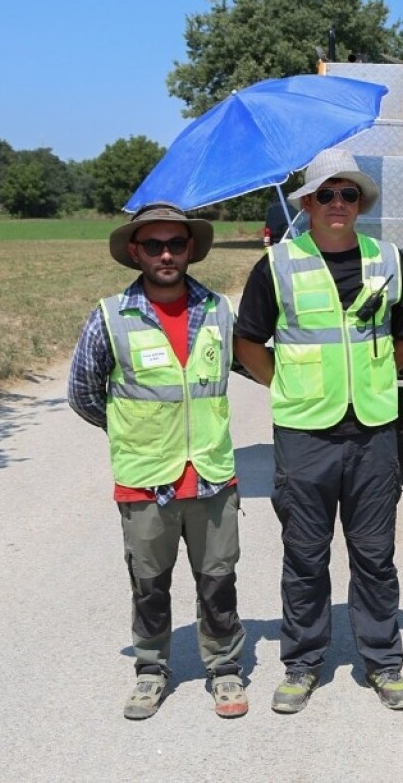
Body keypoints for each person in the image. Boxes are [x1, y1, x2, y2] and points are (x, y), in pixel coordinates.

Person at [235, 148, 403, 713]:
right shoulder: (277, 264)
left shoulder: (389, 260)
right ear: (308, 204)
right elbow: (248, 344)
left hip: (372, 433)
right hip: (305, 435)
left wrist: (374, 380)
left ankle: (383, 662)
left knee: (374, 555)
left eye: (348, 194)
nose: (338, 204)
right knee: (306, 555)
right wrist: (289, 385)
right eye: (326, 195)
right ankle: (302, 663)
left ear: (360, 203)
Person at [67, 202, 247, 721]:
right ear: (134, 251)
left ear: (191, 249)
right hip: (147, 481)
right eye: (154, 245)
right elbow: (82, 392)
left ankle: (224, 668)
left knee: (218, 579)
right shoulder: (110, 316)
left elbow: (248, 367)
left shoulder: (217, 309)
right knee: (149, 584)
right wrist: (131, 432)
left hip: (212, 477)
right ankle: (150, 671)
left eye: (176, 244)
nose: (166, 254)